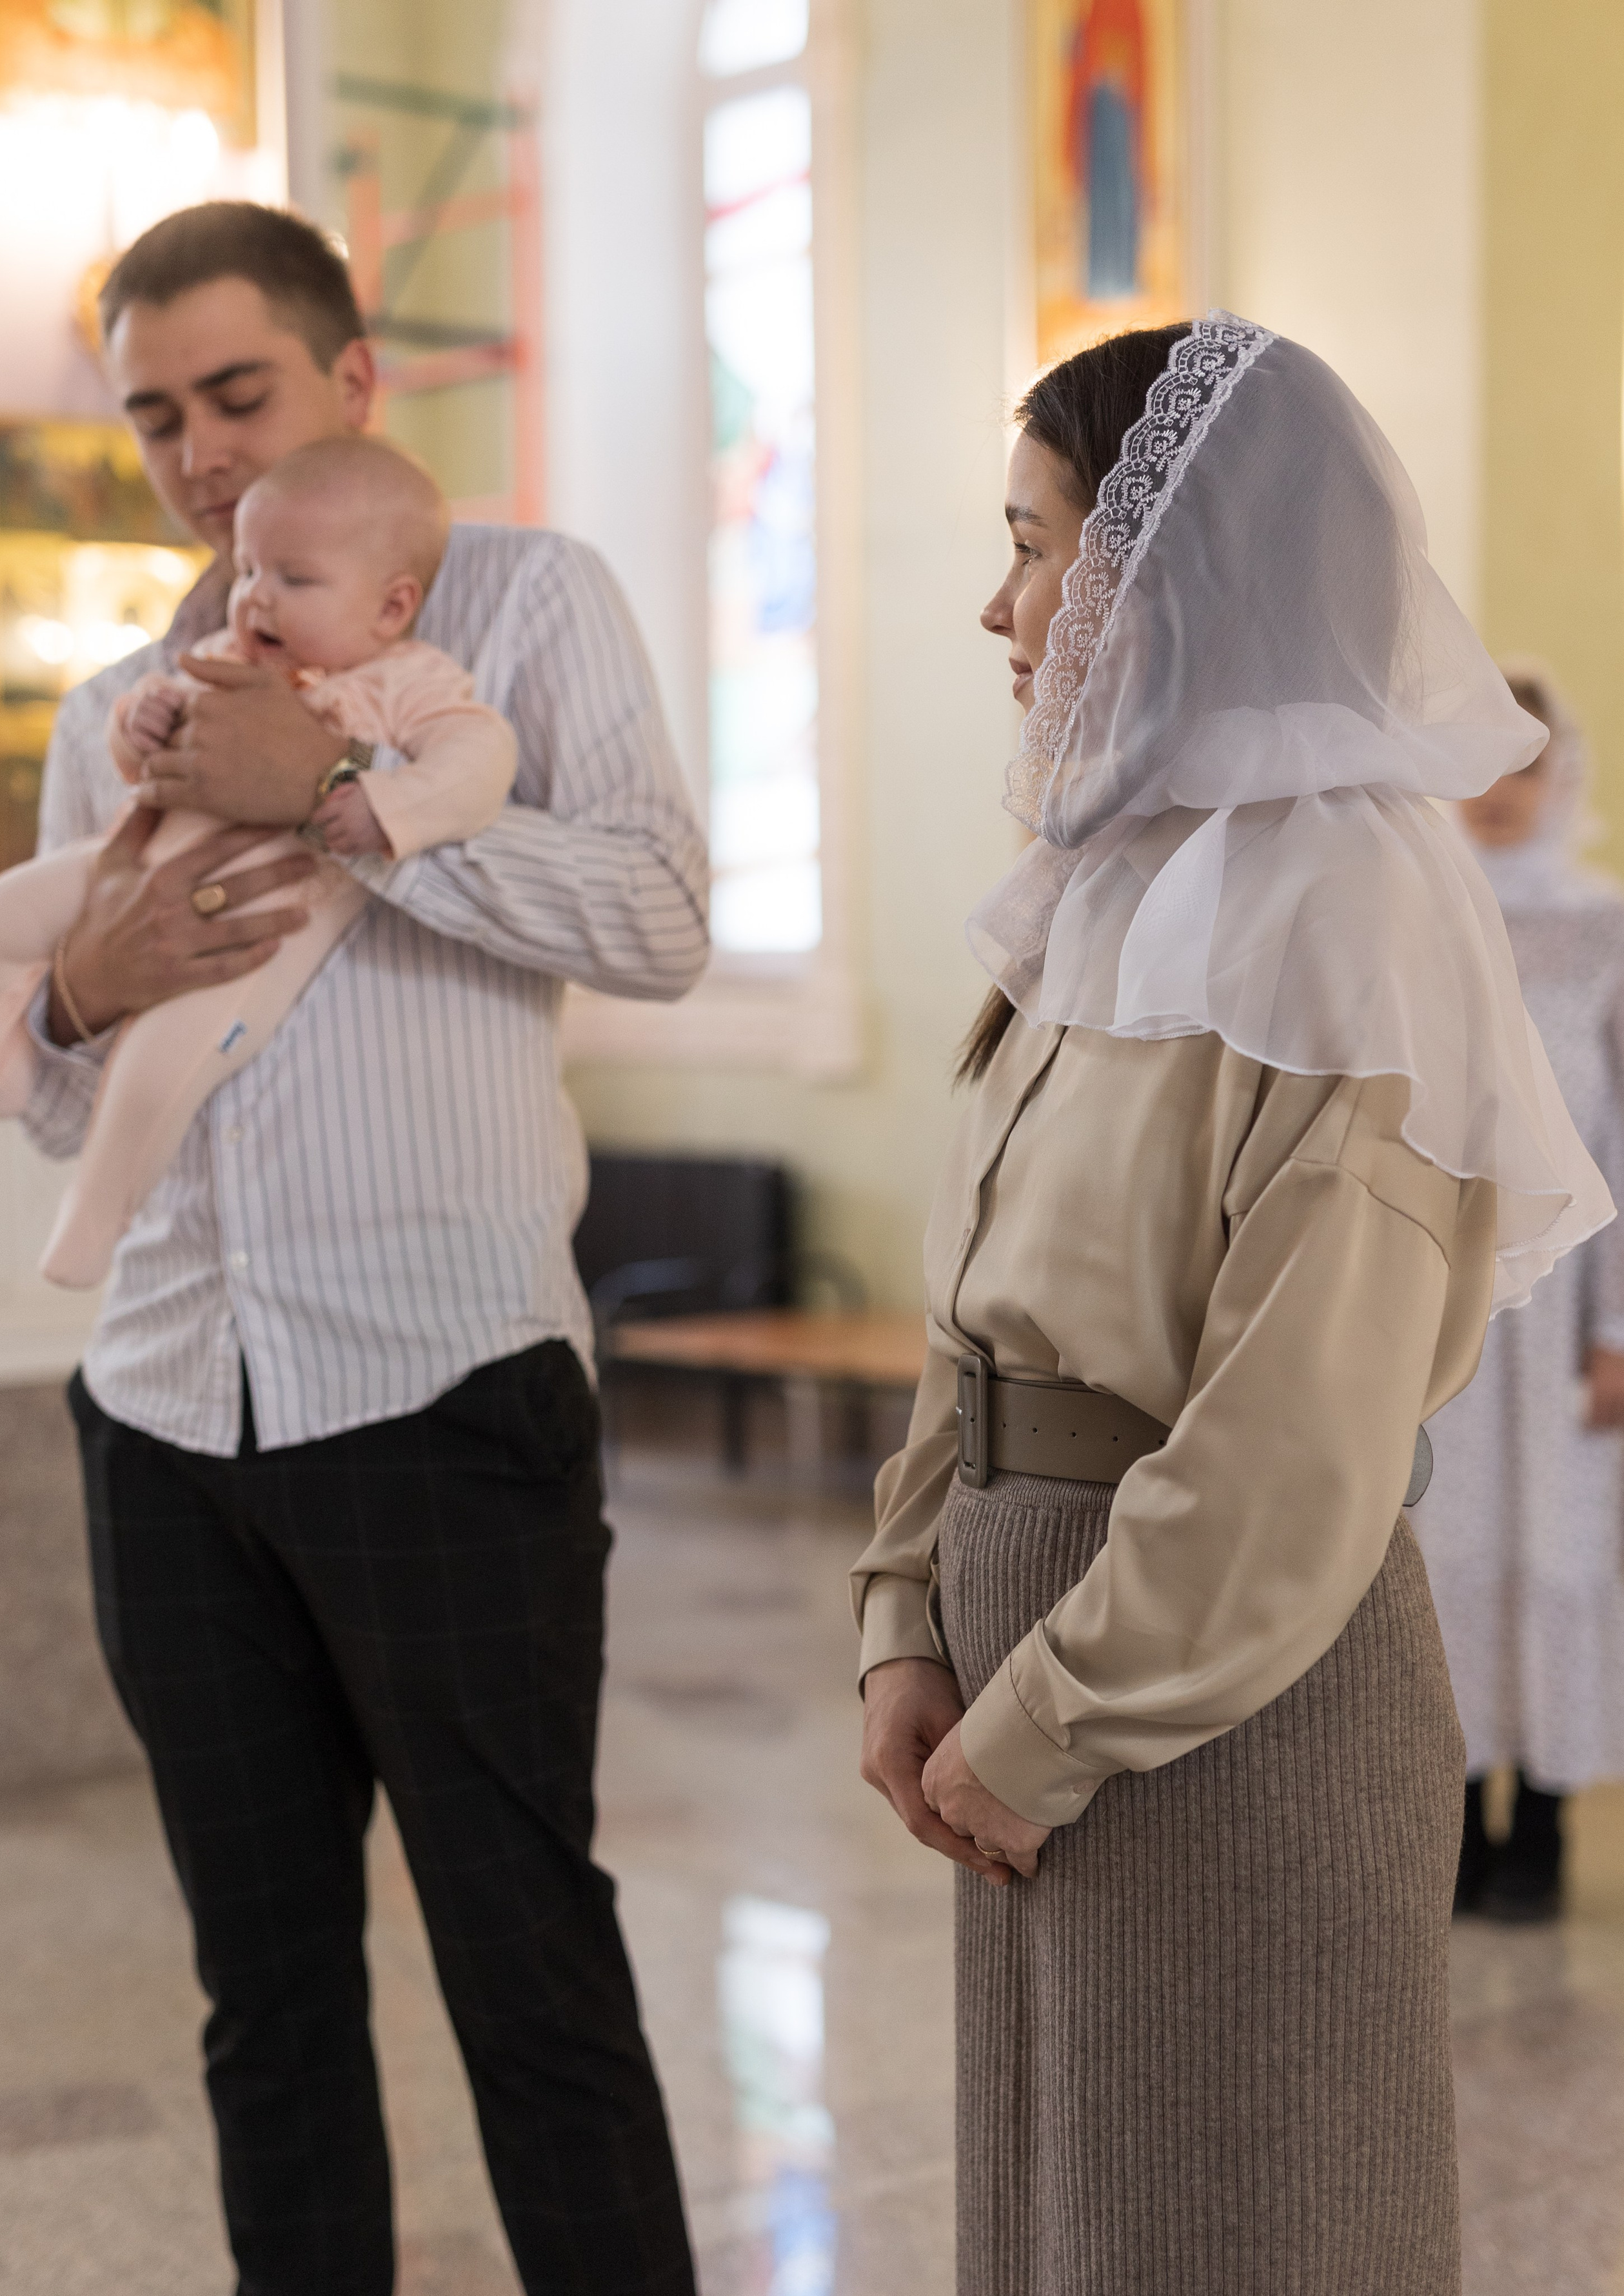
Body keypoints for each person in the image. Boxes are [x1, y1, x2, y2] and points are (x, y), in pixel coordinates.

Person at [853, 314, 1612, 2295]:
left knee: (1231, 2224)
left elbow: (1298, 1436)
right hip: (1037, 1644)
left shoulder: (1342, 904)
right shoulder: (1107, 866)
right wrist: (902, 1622)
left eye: (1036, 543)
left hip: (1217, 1695)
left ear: (1179, 562)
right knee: (1065, 2220)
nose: (994, 603)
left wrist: (1039, 1724)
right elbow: (979, 1308)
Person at [19, 201, 705, 2295]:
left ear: (351, 381)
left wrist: (338, 787)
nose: (203, 456)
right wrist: (76, 992)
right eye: (155, 419)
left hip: (436, 1392)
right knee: (267, 2007)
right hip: (161, 1416)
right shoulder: (118, 708)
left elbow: (662, 919)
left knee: (533, 1982)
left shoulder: (520, 608)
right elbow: (57, 1088)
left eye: (237, 394)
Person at [0, 433, 518, 1289]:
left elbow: (482, 759)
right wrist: (138, 723)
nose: (257, 599)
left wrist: (380, 799)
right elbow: (144, 737)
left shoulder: (405, 680)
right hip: (136, 861)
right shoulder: (225, 659)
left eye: (293, 579)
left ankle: (95, 1217)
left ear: (389, 607)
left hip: (254, 922)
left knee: (163, 1061)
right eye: (250, 571)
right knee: (1, 909)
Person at [1411, 661, 1624, 1922]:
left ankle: (1539, 1819)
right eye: (1478, 761)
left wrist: (1616, 1331)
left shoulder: (1603, 927)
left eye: (1523, 764)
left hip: (1562, 1314)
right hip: (1442, 1305)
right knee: (1446, 1555)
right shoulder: (1412, 910)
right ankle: (1453, 1817)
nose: (1498, 791)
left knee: (1552, 1545)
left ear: (1561, 778)